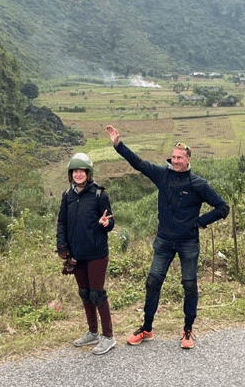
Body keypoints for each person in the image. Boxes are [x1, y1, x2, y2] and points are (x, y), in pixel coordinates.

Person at [105, 125, 229, 349]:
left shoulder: (198, 184)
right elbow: (139, 163)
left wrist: (201, 221)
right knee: (152, 282)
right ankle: (147, 328)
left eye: (180, 157)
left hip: (188, 242)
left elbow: (223, 208)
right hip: (164, 240)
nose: (175, 161)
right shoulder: (162, 176)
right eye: (173, 157)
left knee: (190, 286)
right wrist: (118, 145)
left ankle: (188, 330)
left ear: (189, 159)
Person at [56, 153, 116, 355]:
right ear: (70, 174)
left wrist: (107, 224)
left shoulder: (99, 194)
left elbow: (110, 220)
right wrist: (62, 246)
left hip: (97, 252)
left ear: (89, 173)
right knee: (84, 293)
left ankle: (109, 336)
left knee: (97, 293)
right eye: (75, 171)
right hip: (76, 253)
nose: (78, 174)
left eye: (82, 171)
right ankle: (93, 332)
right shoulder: (67, 196)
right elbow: (62, 222)